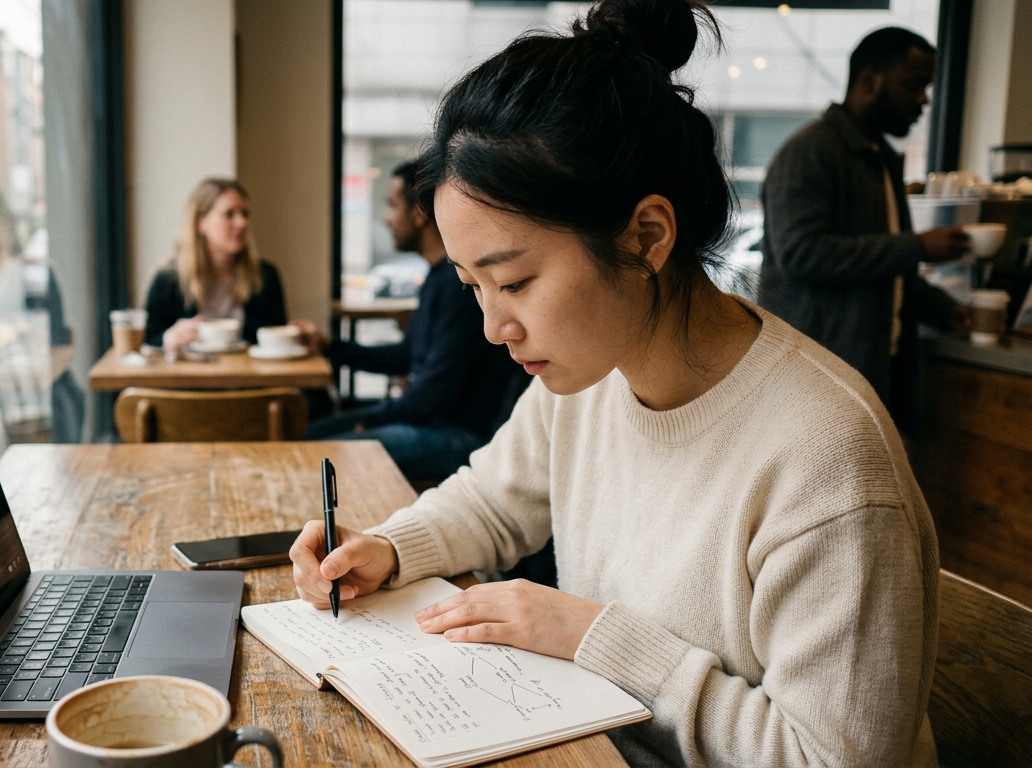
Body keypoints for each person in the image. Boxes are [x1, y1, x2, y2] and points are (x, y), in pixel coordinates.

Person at [289, 1, 939, 765]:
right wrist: (386, 550)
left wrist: (596, 639)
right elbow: (495, 502)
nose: (494, 327)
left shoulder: (825, 460)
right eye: (472, 286)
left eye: (516, 281)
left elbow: (836, 758)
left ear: (646, 237)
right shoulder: (594, 371)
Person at [758, 27, 968, 431]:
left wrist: (942, 309)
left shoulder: (880, 159)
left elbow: (881, 270)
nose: (924, 99)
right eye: (913, 85)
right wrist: (916, 248)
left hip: (866, 378)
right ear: (870, 82)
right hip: (814, 384)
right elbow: (801, 253)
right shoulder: (809, 152)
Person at [294, 161, 524, 481]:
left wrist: (369, 420)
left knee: (314, 450)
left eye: (392, 206)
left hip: (459, 436)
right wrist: (329, 346)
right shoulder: (439, 278)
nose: (386, 219)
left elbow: (433, 399)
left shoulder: (458, 288)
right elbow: (405, 356)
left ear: (418, 214)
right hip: (431, 422)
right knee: (308, 436)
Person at [143, 179, 286, 350]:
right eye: (229, 214)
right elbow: (148, 339)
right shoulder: (168, 280)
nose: (242, 223)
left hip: (248, 375)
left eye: (244, 214)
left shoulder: (264, 276)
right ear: (200, 223)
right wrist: (168, 338)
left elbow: (278, 337)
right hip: (190, 375)